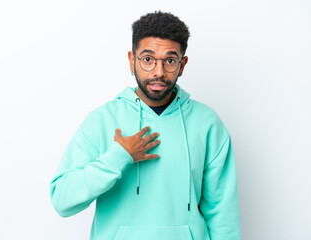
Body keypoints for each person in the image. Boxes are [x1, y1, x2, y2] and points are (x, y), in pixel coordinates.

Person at [50, 11, 241, 240]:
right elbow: (62, 199)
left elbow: (223, 217)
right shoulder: (101, 121)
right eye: (148, 59)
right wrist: (118, 156)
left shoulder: (208, 124)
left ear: (182, 65)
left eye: (170, 60)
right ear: (132, 61)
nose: (158, 72)